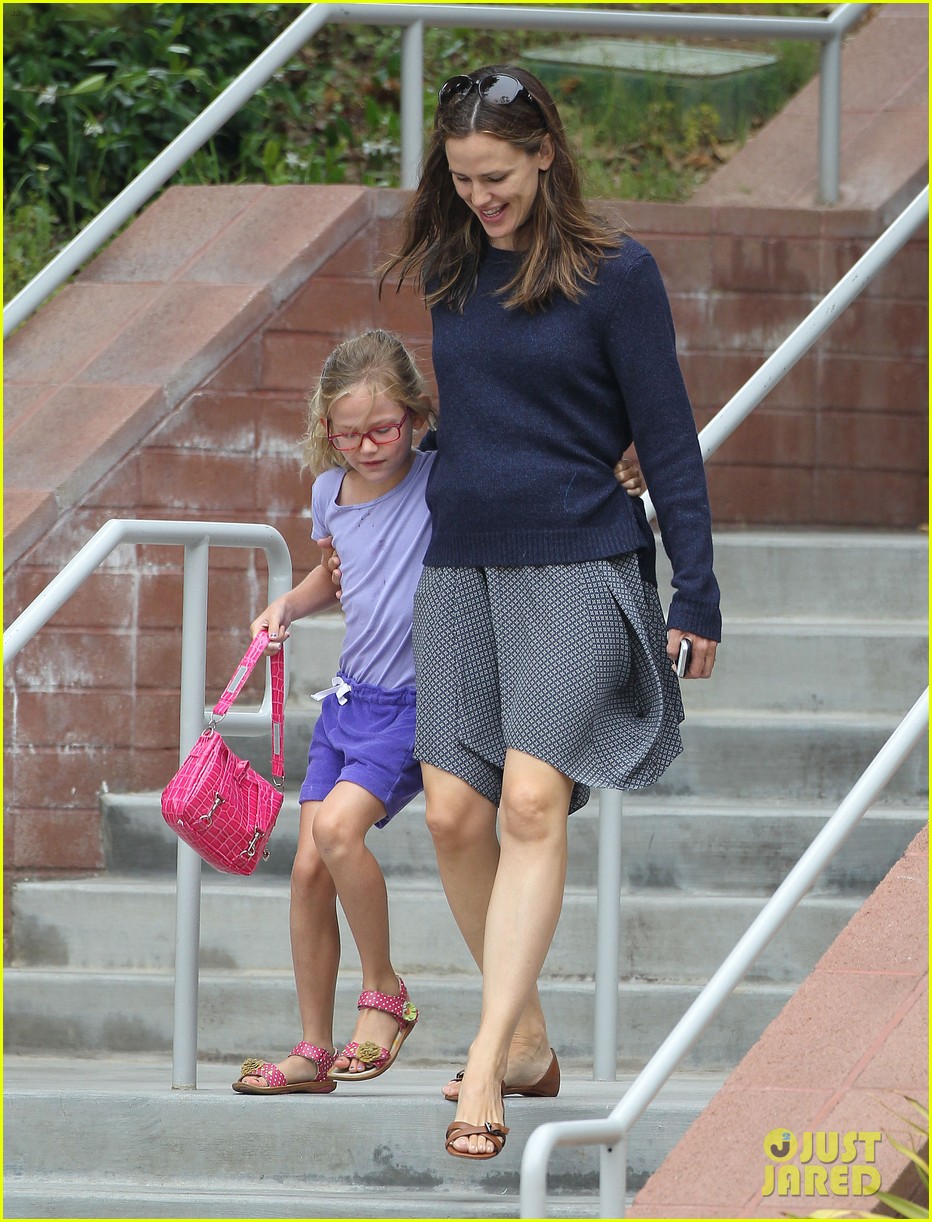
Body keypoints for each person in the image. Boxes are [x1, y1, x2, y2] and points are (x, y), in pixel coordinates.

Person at [378, 66, 721, 1159]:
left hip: (579, 556)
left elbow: (662, 436)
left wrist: (695, 588)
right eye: (462, 177)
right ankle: (521, 1035)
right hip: (461, 565)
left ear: (544, 155)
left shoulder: (618, 277)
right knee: (449, 814)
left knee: (531, 800)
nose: (481, 195)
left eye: (497, 175)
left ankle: (483, 1067)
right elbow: (474, 421)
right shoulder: (448, 271)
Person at [231, 329, 432, 1094]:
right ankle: (314, 1051)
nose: (367, 446)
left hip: (413, 702)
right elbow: (333, 577)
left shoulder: (436, 480)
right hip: (348, 699)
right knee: (309, 867)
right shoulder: (330, 492)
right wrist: (286, 604)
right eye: (346, 434)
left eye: (382, 429)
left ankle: (385, 992)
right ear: (326, 430)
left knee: (341, 834)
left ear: (414, 416)